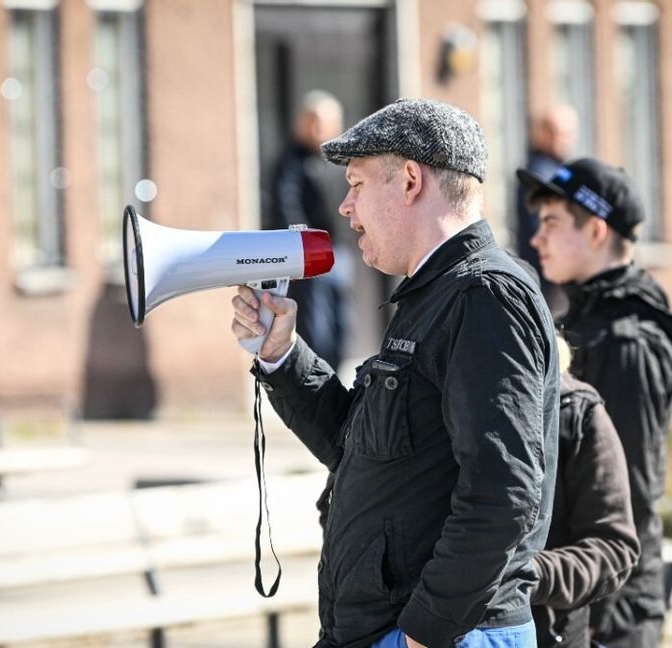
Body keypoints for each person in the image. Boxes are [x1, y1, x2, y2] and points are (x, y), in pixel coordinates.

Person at [232, 98, 560, 648]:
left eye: (357, 184)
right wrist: (282, 356)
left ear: (410, 181)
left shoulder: (484, 296)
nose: (344, 207)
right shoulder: (436, 296)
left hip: (444, 634)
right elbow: (356, 444)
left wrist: (426, 632)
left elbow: (503, 491)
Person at [519, 158, 672, 648]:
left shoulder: (625, 344)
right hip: (581, 594)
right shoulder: (587, 320)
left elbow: (629, 493)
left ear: (596, 231)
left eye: (552, 224)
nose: (537, 239)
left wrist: (603, 614)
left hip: (609, 608)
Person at [531, 336, 640, 647]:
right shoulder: (433, 396)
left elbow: (614, 546)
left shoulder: (575, 410)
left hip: (551, 632)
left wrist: (524, 576)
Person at [265, 90, 351, 371]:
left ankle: (338, 373)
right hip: (310, 254)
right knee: (317, 322)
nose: (318, 129)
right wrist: (303, 246)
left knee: (341, 321)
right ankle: (320, 374)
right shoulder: (291, 162)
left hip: (341, 252)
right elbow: (286, 207)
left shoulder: (341, 161)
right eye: (312, 121)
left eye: (325, 122)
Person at [516, 105, 579, 316]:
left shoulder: (559, 170)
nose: (563, 140)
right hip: (547, 277)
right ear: (542, 133)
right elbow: (544, 227)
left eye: (568, 134)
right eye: (557, 133)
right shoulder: (540, 174)